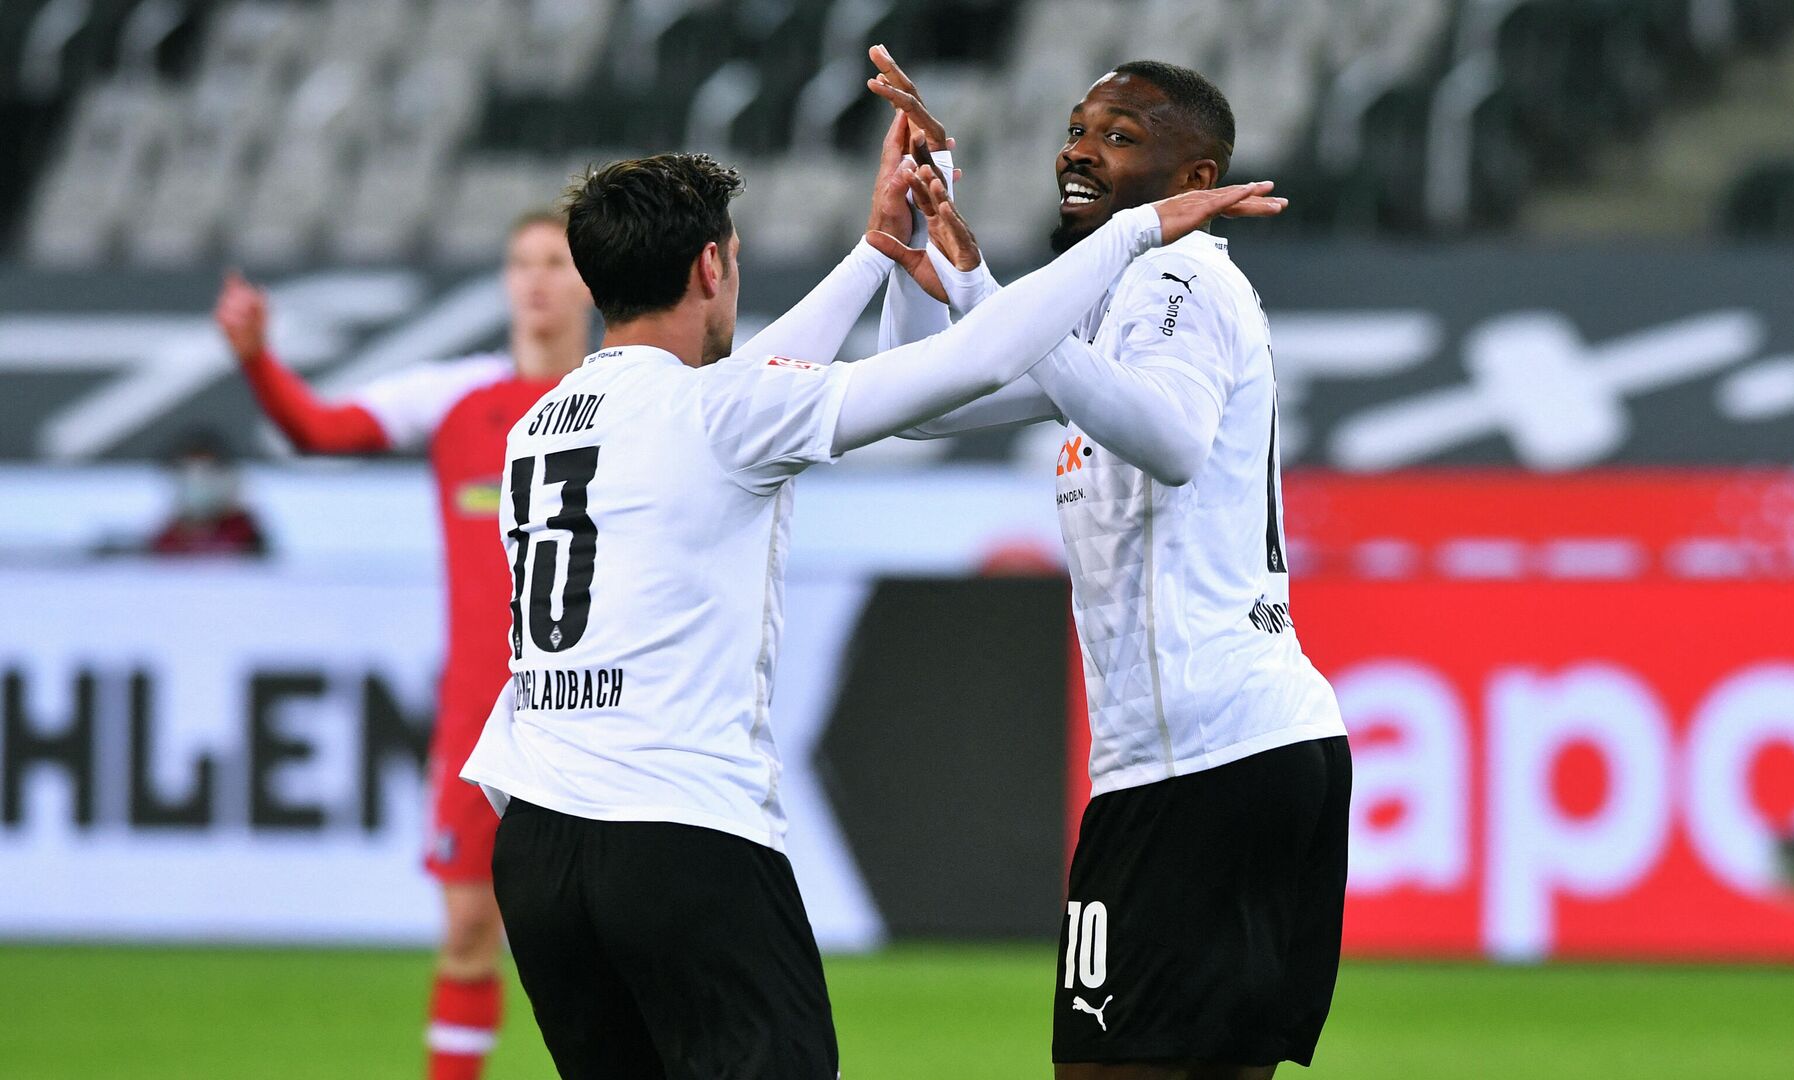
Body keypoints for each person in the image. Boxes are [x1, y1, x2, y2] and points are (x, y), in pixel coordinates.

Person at [458, 146, 1282, 1079]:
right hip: (675, 836)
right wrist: (1139, 228)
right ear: (711, 268)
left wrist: (878, 249)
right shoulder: (720, 413)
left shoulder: (540, 427)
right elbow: (976, 356)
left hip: (537, 844)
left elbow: (758, 375)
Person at [867, 50, 1350, 1078]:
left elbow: (1170, 439)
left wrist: (990, 294)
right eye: (1080, 129)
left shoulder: (1180, 275)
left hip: (1201, 763)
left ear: (1194, 179)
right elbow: (918, 407)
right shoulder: (1108, 302)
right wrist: (921, 250)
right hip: (1243, 752)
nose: (1080, 150)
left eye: (1120, 135)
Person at [211, 210, 595, 1080]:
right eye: (520, 262)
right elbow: (318, 430)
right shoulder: (454, 396)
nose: (536, 279)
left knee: (614, 945)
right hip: (479, 716)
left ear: (591, 282)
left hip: (597, 707)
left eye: (556, 262)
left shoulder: (632, 396)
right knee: (467, 934)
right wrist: (256, 358)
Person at [146, 427, 270, 557]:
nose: (198, 482)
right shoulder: (167, 540)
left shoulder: (245, 536)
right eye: (189, 473)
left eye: (208, 472)